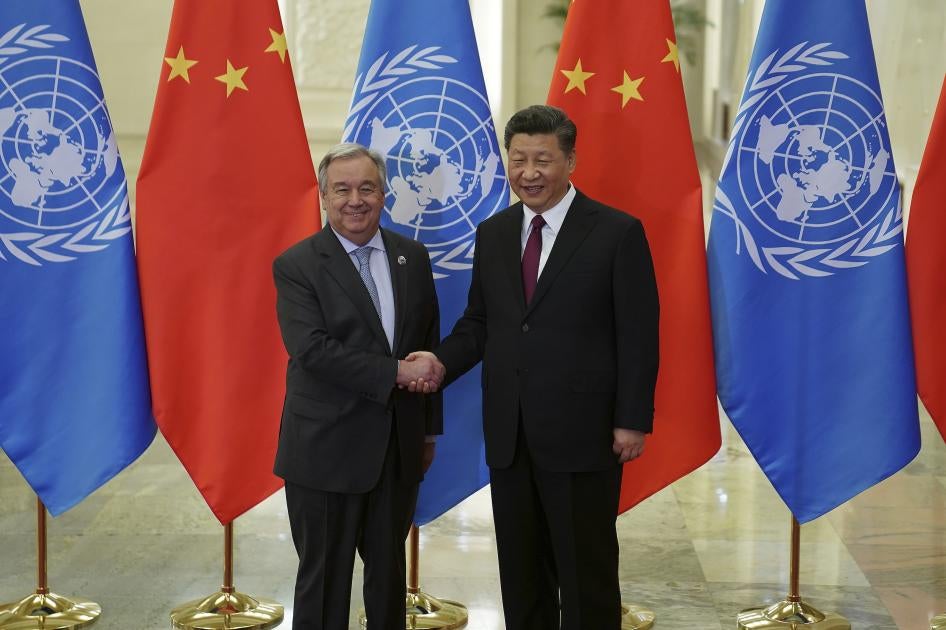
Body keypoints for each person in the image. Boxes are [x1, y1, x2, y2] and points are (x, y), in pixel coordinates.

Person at [409, 105, 659, 630]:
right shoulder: (495, 232)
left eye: (542, 160)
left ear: (570, 161)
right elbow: (481, 323)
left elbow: (638, 335)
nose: (529, 173)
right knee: (522, 575)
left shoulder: (616, 232)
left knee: (586, 574)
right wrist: (439, 360)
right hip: (511, 434)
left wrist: (632, 419)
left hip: (584, 434)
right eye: (518, 159)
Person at [272, 143, 444, 630]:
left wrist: (428, 432)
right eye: (342, 189)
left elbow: (426, 344)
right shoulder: (298, 265)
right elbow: (312, 350)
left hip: (397, 451)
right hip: (325, 451)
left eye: (367, 188)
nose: (355, 200)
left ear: (384, 194)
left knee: (388, 582)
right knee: (324, 584)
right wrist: (395, 373)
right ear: (323, 196)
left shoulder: (412, 257)